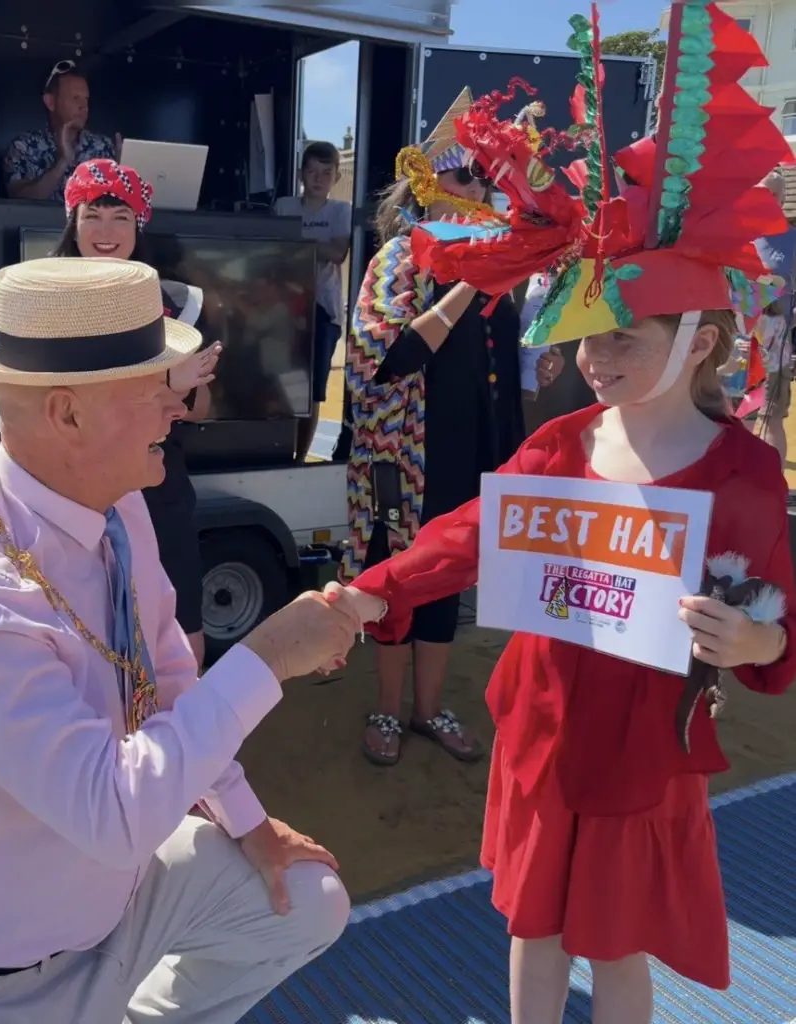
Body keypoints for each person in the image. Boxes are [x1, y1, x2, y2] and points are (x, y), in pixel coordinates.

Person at [322, 8, 796, 1021]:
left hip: (639, 758)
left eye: (623, 334)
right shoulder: (559, 442)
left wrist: (753, 634)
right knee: (530, 928)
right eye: (585, 327)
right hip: (537, 737)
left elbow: (771, 623)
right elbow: (464, 536)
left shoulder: (744, 478)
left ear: (699, 343)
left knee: (614, 948)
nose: (592, 354)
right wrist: (371, 591)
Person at [0, 257, 357, 1022]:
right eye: (154, 385)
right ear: (68, 414)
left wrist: (248, 823)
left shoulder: (114, 506)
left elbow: (169, 676)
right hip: (6, 977)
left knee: (307, 898)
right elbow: (114, 818)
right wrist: (270, 657)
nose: (175, 407)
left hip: (111, 901)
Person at [341, 87, 563, 767]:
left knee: (444, 582)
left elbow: (501, 369)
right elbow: (384, 357)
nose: (475, 188)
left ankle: (427, 709)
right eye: (462, 175)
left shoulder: (501, 265)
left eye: (482, 177)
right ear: (426, 182)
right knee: (394, 578)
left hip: (468, 449)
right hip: (405, 455)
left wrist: (538, 360)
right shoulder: (399, 260)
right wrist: (468, 279)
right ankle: (384, 706)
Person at [56, 158, 213, 670]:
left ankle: (184, 731)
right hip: (74, 485)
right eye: (92, 216)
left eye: (120, 217)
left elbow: (199, 410)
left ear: (138, 225)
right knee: (87, 630)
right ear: (72, 223)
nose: (105, 232)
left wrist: (182, 390)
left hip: (158, 481)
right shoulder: (44, 299)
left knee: (180, 624)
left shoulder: (178, 305)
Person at [274, 141, 352, 461]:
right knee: (282, 386)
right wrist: (316, 246)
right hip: (281, 309)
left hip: (323, 311)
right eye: (312, 172)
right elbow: (273, 251)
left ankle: (300, 458)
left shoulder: (341, 211)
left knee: (312, 393)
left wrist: (299, 246)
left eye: (326, 173)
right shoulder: (284, 206)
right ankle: (277, 454)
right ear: (300, 174)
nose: (318, 179)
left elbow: (338, 253)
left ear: (336, 176)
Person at [3, 60, 117, 202]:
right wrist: (62, 162)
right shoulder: (23, 147)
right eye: (75, 98)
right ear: (50, 102)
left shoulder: (103, 147)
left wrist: (125, 171)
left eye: (86, 99)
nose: (84, 107)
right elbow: (18, 201)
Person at [752, 169, 796, 461]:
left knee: (772, 415)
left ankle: (771, 489)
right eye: (764, 193)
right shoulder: (735, 235)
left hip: (776, 347)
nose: (770, 199)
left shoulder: (792, 239)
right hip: (735, 346)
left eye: (775, 194)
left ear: (782, 199)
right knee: (725, 414)